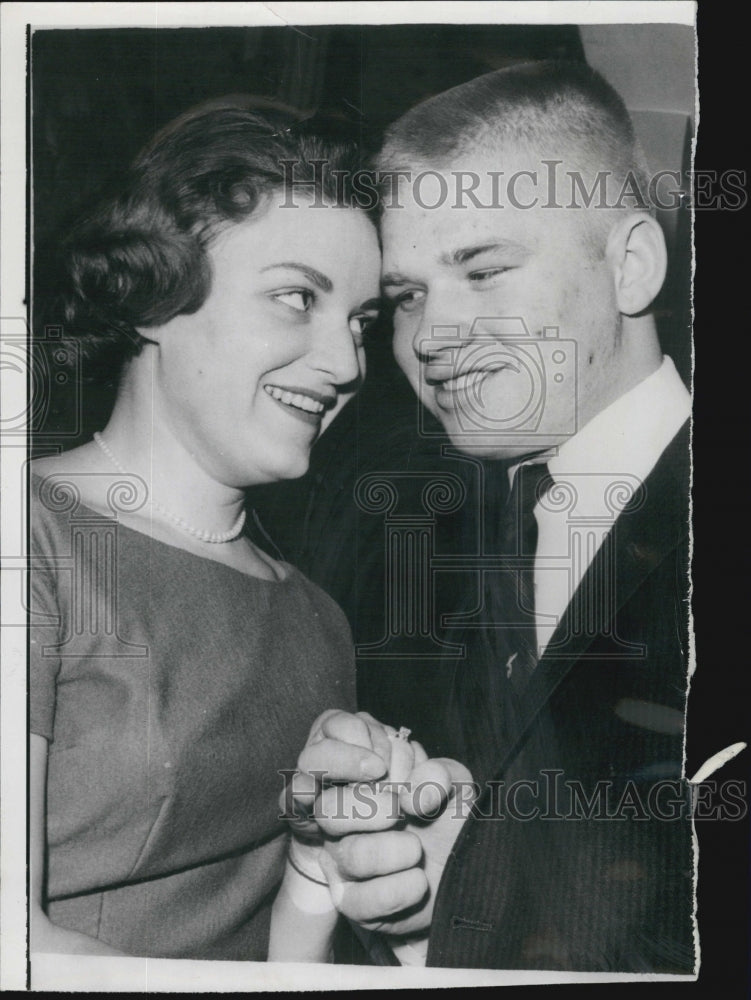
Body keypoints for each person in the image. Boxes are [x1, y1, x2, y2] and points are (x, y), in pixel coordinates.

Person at [287, 60, 695, 973]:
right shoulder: (428, 549)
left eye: (482, 269)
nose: (429, 338)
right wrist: (427, 918)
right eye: (407, 296)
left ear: (629, 265)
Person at [29, 103, 384, 960]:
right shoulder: (32, 543)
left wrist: (323, 867)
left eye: (363, 323)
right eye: (297, 297)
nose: (345, 364)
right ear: (154, 293)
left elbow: (285, 953)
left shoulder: (317, 617)